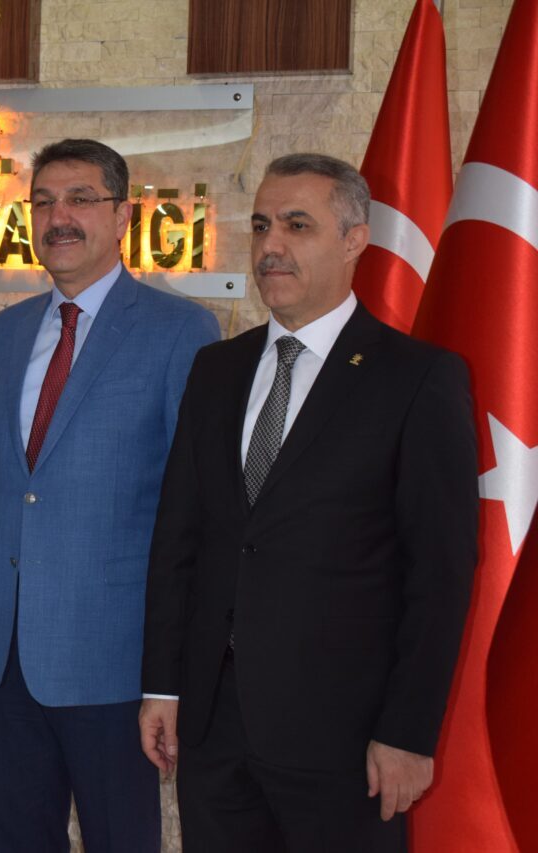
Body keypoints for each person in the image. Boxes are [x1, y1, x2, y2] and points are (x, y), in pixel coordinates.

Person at [140, 153, 478, 852]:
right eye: (262, 224)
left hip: (347, 739)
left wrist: (408, 732)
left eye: (298, 225)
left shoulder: (417, 378)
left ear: (355, 240)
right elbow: (179, 538)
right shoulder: (217, 368)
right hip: (214, 727)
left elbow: (440, 574)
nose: (271, 245)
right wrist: (163, 686)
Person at [0, 138, 219, 852]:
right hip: (1, 649)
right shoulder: (2, 333)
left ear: (123, 215)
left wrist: (172, 667)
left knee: (120, 838)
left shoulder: (183, 330)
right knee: (15, 836)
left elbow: (193, 507)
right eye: (43, 202)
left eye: (79, 199)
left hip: (114, 652)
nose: (58, 217)